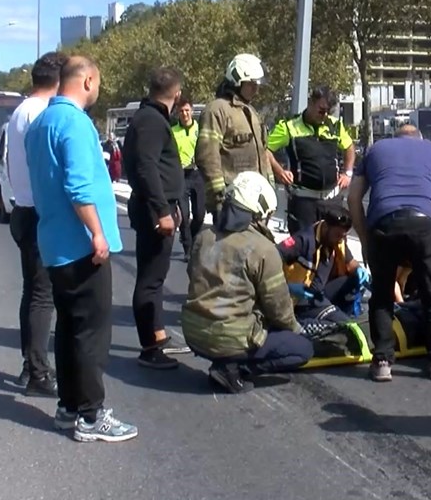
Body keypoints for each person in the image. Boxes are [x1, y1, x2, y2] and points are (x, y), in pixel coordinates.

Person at [25, 55, 135, 443]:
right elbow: (78, 186)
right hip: (81, 245)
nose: (98, 90)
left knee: (70, 328)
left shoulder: (40, 124)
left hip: (55, 243)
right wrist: (97, 232)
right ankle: (91, 415)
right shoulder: (74, 123)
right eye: (98, 83)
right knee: (92, 333)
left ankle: (68, 408)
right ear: (87, 81)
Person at [348, 124, 431, 382]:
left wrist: (365, 238)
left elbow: (353, 198)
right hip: (424, 224)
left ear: (395, 138)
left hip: (384, 224)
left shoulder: (376, 149)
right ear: (419, 138)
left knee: (382, 294)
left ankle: (382, 361)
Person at [181, 171, 314, 393]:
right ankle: (233, 369)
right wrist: (297, 329)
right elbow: (279, 310)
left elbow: (194, 276)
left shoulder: (203, 237)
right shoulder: (264, 249)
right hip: (229, 338)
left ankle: (225, 362)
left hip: (193, 332)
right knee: (302, 349)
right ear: (259, 212)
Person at [4, 51, 68, 396]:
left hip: (22, 208)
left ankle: (30, 366)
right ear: (59, 81)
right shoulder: (42, 113)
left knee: (32, 292)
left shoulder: (20, 110)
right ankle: (39, 373)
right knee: (43, 297)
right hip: (39, 211)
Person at [122, 67, 190, 370]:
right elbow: (146, 167)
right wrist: (162, 210)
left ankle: (157, 335)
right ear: (176, 94)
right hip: (154, 210)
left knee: (155, 278)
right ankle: (150, 348)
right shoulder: (151, 121)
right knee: (150, 281)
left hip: (158, 206)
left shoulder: (150, 117)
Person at [267, 86, 356, 234]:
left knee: (334, 245)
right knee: (303, 245)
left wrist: (348, 173)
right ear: (310, 103)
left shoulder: (335, 125)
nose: (324, 115)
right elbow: (265, 150)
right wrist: (279, 171)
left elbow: (349, 147)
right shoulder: (289, 126)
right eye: (321, 110)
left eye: (328, 111)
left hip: (331, 200)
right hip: (303, 202)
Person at [196, 53, 271, 216]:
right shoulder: (217, 110)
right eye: (251, 84)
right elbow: (207, 156)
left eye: (257, 85)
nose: (256, 90)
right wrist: (219, 195)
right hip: (232, 202)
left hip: (255, 202)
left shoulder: (251, 112)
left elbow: (263, 154)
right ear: (237, 81)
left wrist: (269, 187)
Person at [277, 200, 368, 321]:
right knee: (342, 323)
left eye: (343, 236)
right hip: (302, 299)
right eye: (338, 235)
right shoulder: (303, 240)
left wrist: (359, 270)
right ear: (325, 227)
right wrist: (288, 287)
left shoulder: (337, 240)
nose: (340, 239)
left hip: (321, 293)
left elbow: (351, 263)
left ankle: (337, 311)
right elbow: (270, 259)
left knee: (354, 280)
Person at [171, 97, 205, 257]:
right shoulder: (173, 132)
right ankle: (187, 248)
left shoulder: (201, 130)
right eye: (181, 111)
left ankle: (190, 236)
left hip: (198, 175)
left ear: (192, 111)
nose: (184, 114)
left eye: (187, 110)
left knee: (199, 215)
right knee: (184, 216)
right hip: (181, 176)